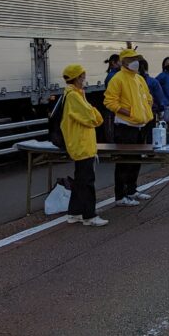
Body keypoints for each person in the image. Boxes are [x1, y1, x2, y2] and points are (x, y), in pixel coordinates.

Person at [103, 48, 154, 205]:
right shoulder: (118, 79)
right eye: (132, 59)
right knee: (125, 161)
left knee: (136, 159)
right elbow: (109, 101)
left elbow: (148, 97)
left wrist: (147, 107)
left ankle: (132, 190)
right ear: (123, 61)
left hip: (140, 125)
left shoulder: (139, 79)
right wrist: (128, 112)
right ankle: (120, 196)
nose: (136, 62)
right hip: (125, 126)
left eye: (136, 59)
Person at [60, 64, 107, 227]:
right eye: (82, 76)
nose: (84, 79)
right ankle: (89, 215)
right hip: (82, 144)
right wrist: (94, 112)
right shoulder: (74, 96)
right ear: (75, 78)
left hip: (81, 143)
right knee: (87, 181)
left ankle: (74, 212)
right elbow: (91, 117)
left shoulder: (76, 94)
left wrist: (92, 112)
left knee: (81, 180)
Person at [138, 57, 165, 141]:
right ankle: (150, 153)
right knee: (150, 134)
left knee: (139, 135)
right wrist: (161, 109)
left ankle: (140, 152)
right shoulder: (153, 81)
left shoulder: (133, 81)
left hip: (136, 112)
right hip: (150, 112)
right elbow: (159, 97)